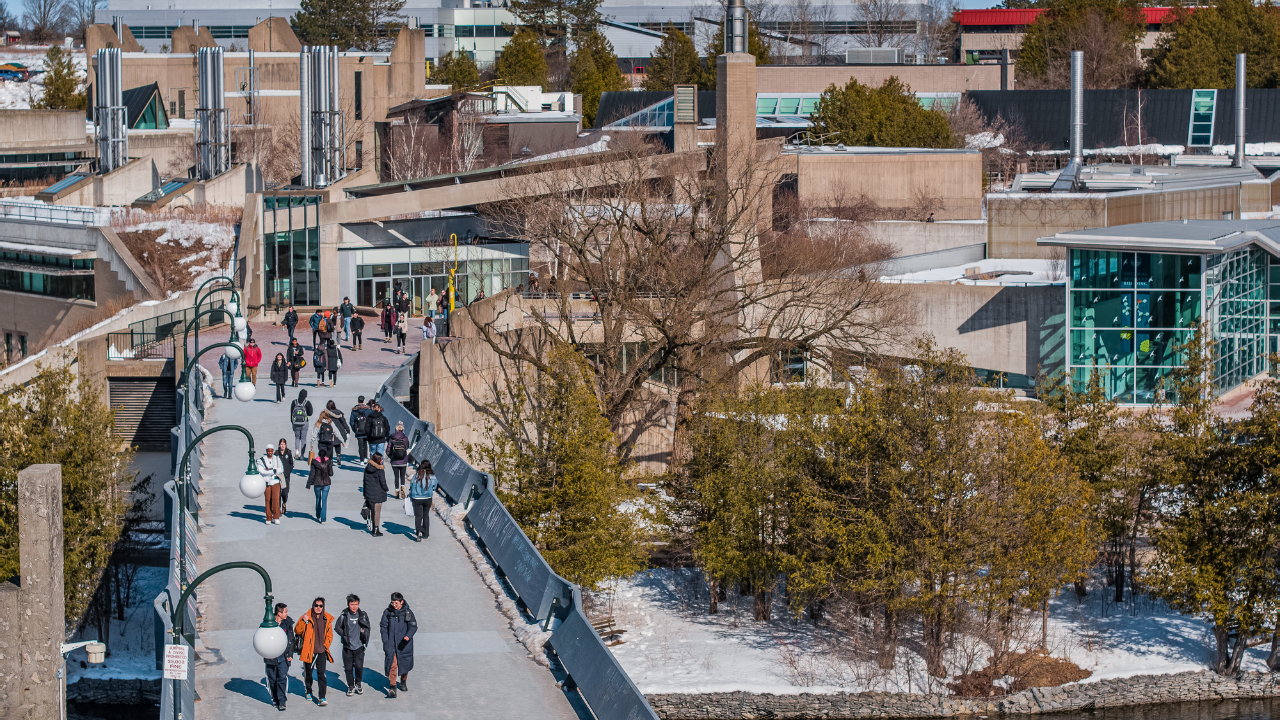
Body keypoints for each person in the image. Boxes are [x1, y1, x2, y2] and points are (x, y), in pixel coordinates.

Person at [295, 597, 334, 706]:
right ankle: (308, 690)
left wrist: (326, 645)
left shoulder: (327, 618)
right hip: (309, 651)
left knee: (321, 674)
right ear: (313, 606)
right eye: (316, 605)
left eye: (320, 606)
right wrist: (303, 621)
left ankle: (322, 697)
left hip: (321, 652)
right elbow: (297, 630)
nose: (318, 607)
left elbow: (330, 634)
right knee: (308, 674)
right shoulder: (306, 617)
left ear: (323, 607)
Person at [380, 592, 417, 698]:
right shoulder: (387, 613)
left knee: (404, 664)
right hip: (391, 644)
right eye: (392, 603)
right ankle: (392, 687)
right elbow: (383, 627)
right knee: (392, 665)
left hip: (404, 645)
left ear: (402, 602)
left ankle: (403, 681)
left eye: (396, 603)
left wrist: (408, 636)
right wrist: (386, 641)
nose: (394, 605)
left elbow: (413, 626)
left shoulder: (408, 612)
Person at [336, 594, 370, 696]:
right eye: (352, 604)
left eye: (356, 604)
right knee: (348, 668)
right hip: (347, 647)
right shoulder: (344, 616)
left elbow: (368, 627)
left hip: (359, 647)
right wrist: (345, 635)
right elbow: (337, 627)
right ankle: (351, 686)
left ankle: (358, 683)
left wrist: (364, 636)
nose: (354, 607)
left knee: (359, 667)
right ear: (348, 605)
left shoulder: (363, 615)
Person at [263, 602, 295, 711]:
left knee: (282, 678)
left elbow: (291, 639)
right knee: (272, 679)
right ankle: (275, 699)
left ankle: (282, 701)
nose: (287, 613)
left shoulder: (287, 623)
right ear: (279, 613)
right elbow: (262, 638)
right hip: (271, 657)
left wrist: (290, 654)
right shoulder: (268, 623)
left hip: (283, 657)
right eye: (285, 612)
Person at [408, 461, 438, 542]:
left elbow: (412, 486)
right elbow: (434, 486)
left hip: (417, 498)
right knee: (426, 515)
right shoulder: (432, 476)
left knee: (418, 516)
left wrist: (411, 495)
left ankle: (419, 532)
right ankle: (426, 533)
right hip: (428, 498)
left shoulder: (417, 475)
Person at [362, 452, 388, 537]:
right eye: (381, 459)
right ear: (378, 460)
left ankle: (373, 527)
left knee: (372, 510)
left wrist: (365, 493)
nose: (382, 460)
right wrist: (386, 489)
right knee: (377, 512)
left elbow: (365, 481)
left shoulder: (367, 468)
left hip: (369, 493)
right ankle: (376, 529)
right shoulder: (380, 470)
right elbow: (383, 483)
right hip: (378, 494)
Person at [257, 445, 284, 524]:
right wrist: (273, 471)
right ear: (266, 451)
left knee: (275, 499)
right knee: (268, 499)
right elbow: (261, 471)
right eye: (268, 451)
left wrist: (271, 471)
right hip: (266, 482)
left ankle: (276, 517)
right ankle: (268, 517)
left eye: (271, 451)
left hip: (275, 482)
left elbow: (281, 469)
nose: (270, 453)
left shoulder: (276, 458)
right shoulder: (261, 460)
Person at [307, 451, 332, 523]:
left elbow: (312, 473)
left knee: (318, 499)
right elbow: (331, 473)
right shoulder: (328, 462)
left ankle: (318, 515)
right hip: (326, 483)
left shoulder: (314, 462)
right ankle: (323, 519)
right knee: (324, 501)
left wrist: (308, 484)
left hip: (317, 483)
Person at [324, 400, 352, 466]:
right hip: (339, 430)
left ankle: (330, 460)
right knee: (337, 444)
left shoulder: (326, 413)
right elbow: (343, 422)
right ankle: (338, 456)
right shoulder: (339, 413)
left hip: (329, 430)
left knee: (330, 445)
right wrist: (347, 430)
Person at [387, 422, 410, 499]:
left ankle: (397, 491)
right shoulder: (405, 438)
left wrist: (391, 456)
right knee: (402, 476)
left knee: (396, 476)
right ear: (403, 430)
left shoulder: (391, 439)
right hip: (403, 460)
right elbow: (406, 447)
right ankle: (402, 488)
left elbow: (388, 450)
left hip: (394, 461)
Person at [289, 390, 313, 458]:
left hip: (295, 423)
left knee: (297, 437)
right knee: (303, 439)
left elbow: (291, 413)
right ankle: (302, 455)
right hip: (304, 423)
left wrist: (292, 422)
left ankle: (297, 451)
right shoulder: (307, 403)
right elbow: (310, 413)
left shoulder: (294, 402)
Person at [350, 397, 372, 462]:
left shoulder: (354, 410)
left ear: (358, 400)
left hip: (358, 430)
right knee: (365, 444)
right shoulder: (368, 410)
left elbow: (351, 422)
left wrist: (355, 430)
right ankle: (365, 457)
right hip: (366, 430)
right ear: (363, 401)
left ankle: (361, 460)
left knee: (360, 445)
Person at [277, 438, 294, 515]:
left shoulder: (289, 453)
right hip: (279, 476)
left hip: (286, 476)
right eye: (281, 444)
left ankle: (284, 503)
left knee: (285, 493)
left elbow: (291, 463)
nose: (282, 446)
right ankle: (278, 509)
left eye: (283, 444)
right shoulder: (276, 453)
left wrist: (288, 471)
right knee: (278, 493)